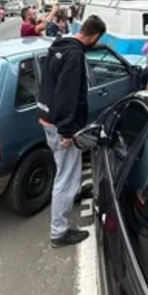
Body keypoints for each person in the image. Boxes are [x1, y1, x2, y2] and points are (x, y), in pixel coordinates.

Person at [37, 15, 107, 248]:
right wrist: (68, 131)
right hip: (61, 125)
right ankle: (59, 232)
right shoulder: (75, 55)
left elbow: (49, 85)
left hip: (48, 118)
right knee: (64, 176)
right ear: (95, 35)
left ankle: (75, 192)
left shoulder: (58, 47)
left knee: (67, 168)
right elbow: (67, 95)